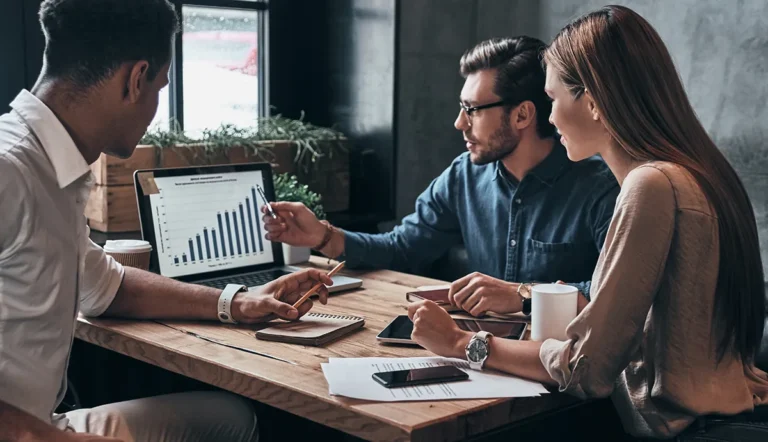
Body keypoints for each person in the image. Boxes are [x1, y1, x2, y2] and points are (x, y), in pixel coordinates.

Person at [407, 5, 768, 440]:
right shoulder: (698, 172)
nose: (551, 116)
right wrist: (526, 300)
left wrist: (461, 344)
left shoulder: (650, 186)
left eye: (554, 99)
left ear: (593, 101)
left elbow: (587, 369)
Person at [0, 1, 333, 441]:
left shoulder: (52, 169)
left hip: (46, 422)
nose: (157, 106)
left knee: (230, 418)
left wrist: (236, 302)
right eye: (161, 86)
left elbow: (107, 286)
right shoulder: (10, 170)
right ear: (136, 79)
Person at [263, 37, 619, 317]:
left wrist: (521, 295)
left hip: (563, 374)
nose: (459, 123)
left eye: (472, 110)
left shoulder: (600, 188)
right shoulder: (463, 176)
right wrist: (322, 235)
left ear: (523, 116)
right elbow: (403, 249)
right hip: (480, 355)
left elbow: (614, 295)